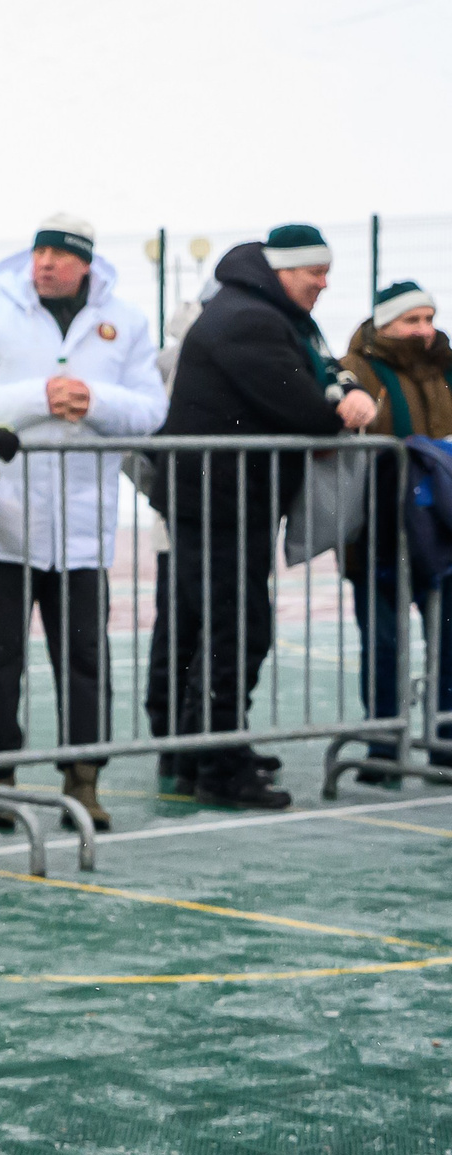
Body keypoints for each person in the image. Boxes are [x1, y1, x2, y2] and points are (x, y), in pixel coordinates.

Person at [0, 219, 165, 830]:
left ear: (85, 265)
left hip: (85, 529)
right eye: (39, 251)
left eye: (59, 255)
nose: (45, 263)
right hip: (6, 523)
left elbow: (150, 410)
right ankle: (0, 776)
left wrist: (94, 400)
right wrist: (41, 396)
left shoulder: (128, 320)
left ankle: (83, 780)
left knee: (85, 659)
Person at [158, 224, 377, 807]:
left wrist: (340, 389)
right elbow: (302, 405)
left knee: (223, 626)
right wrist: (340, 410)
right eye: (316, 273)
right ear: (285, 270)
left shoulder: (269, 312)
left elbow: (327, 368)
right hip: (220, 502)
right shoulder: (250, 320)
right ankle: (218, 765)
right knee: (238, 628)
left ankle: (201, 750)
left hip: (228, 500)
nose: (324, 285)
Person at [340, 280, 452, 767]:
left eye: (429, 319)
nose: (424, 330)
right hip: (378, 532)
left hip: (443, 530)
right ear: (384, 322)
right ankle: (383, 746)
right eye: (412, 320)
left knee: (448, 638)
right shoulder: (356, 369)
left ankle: (445, 740)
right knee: (384, 641)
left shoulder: (445, 366)